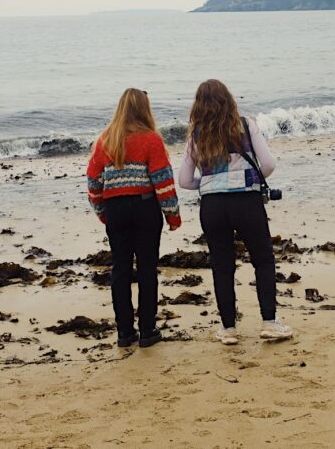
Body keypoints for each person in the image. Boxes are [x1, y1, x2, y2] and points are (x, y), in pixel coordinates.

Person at [178, 79, 293, 345]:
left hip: (212, 206)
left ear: (198, 106)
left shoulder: (196, 134)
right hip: (246, 202)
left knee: (222, 265)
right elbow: (269, 164)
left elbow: (184, 181)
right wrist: (247, 179)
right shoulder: (244, 125)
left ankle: (228, 329)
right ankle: (269, 323)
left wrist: (208, 184)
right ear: (228, 100)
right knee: (262, 259)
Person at [87, 88, 181, 348]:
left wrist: (102, 211)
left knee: (120, 270)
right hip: (145, 208)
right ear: (144, 109)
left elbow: (93, 181)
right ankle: (148, 331)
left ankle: (124, 332)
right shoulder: (151, 139)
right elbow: (163, 181)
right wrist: (172, 214)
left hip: (116, 210)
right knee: (147, 269)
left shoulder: (106, 140)